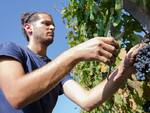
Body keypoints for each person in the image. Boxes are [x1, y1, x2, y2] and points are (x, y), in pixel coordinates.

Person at [0, 12, 144, 113]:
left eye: (53, 25)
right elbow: (16, 95)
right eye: (46, 23)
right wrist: (75, 53)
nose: (53, 27)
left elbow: (86, 101)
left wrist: (124, 68)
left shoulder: (58, 72)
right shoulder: (12, 49)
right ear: (28, 27)